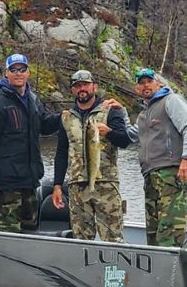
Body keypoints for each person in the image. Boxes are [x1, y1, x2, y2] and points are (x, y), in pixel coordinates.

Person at [0, 53, 61, 233]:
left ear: (28, 73)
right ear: (6, 73)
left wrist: (64, 118)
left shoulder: (33, 100)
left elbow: (45, 125)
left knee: (30, 235)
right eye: (13, 70)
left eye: (22, 69)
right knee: (5, 237)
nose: (18, 73)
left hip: (29, 183)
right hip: (5, 186)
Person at [51, 70, 132, 242]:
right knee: (81, 239)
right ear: (73, 90)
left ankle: (114, 268)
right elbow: (60, 153)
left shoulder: (110, 111)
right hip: (77, 187)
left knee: (112, 238)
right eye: (77, 86)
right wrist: (57, 185)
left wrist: (109, 132)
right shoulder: (66, 117)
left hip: (106, 185)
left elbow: (125, 141)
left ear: (94, 86)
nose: (82, 89)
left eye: (85, 85)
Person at [123, 68, 187, 247]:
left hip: (170, 174)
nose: (146, 85)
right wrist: (120, 113)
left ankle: (173, 272)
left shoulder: (170, 101)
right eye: (141, 83)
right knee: (153, 234)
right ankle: (156, 272)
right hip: (150, 178)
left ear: (158, 83)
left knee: (169, 233)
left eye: (149, 81)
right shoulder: (143, 115)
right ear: (137, 89)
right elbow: (129, 136)